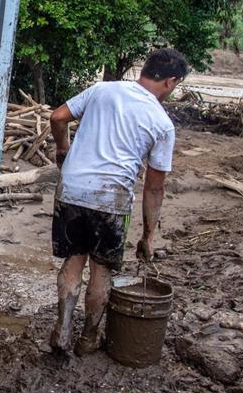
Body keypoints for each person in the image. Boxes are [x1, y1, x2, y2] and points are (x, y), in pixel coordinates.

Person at [47, 48, 187, 355]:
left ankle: (62, 330)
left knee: (73, 262)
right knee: (101, 271)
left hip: (72, 190)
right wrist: (148, 236)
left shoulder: (102, 90)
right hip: (112, 198)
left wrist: (62, 149)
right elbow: (153, 189)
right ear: (171, 82)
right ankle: (87, 338)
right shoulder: (162, 124)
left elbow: (58, 117)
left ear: (145, 70)